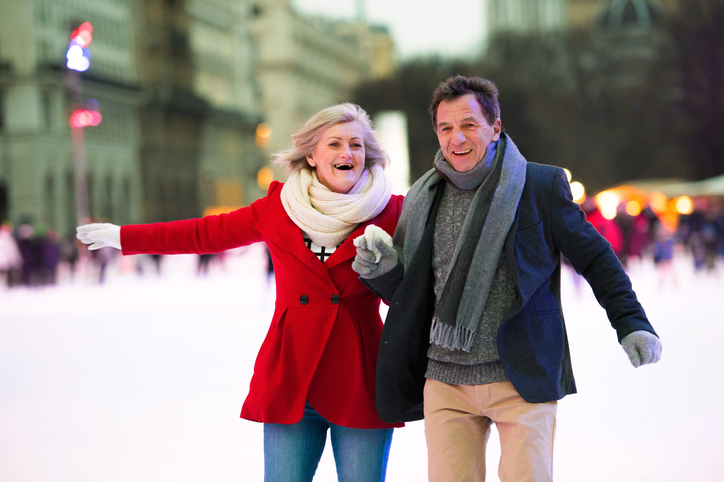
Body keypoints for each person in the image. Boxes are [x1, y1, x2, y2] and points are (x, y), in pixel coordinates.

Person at [352, 76, 662, 482]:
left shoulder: (538, 186)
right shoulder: (422, 197)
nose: (456, 138)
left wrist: (631, 322)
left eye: (469, 124)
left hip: (521, 376)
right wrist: (383, 269)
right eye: (445, 128)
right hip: (446, 382)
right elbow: (413, 295)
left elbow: (596, 258)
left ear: (495, 127)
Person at [76, 103, 404, 482]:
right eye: (335, 143)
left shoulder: (392, 213)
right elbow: (203, 234)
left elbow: (412, 291)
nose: (347, 153)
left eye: (357, 145)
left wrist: (388, 272)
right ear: (312, 155)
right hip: (292, 380)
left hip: (360, 380)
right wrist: (124, 236)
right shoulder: (278, 208)